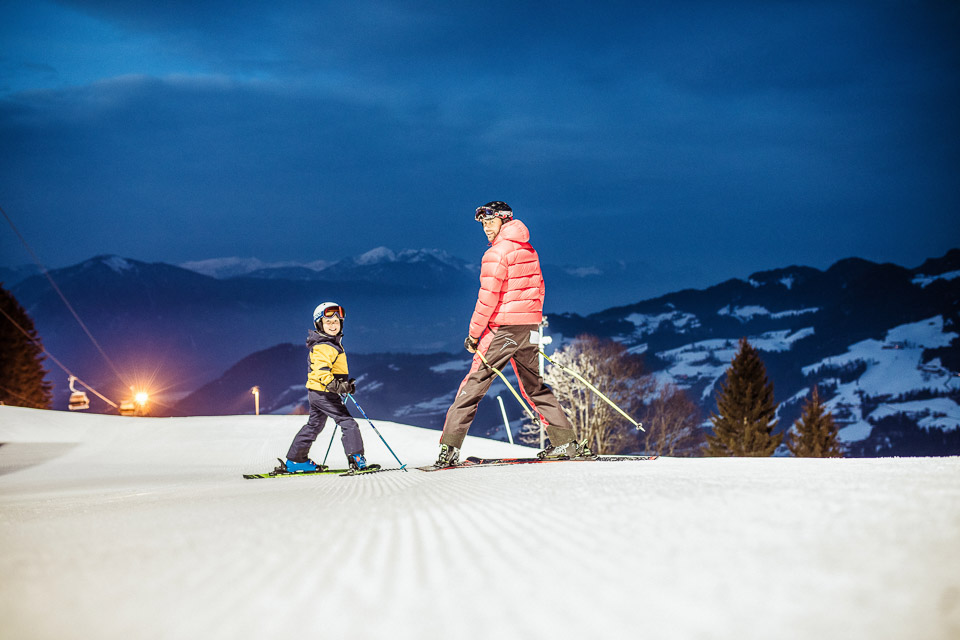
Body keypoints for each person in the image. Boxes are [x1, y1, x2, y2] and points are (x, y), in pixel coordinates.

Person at [434, 201, 587, 467]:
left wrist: (473, 334)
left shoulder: (496, 253)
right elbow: (539, 289)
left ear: (505, 221)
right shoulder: (529, 249)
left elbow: (487, 300)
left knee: (473, 386)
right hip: (528, 328)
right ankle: (566, 443)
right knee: (534, 386)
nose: (485, 228)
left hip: (502, 329)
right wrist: (532, 323)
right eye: (482, 223)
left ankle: (449, 448)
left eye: (490, 222)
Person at [280, 302, 377, 473]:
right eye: (328, 322)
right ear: (320, 324)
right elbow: (321, 372)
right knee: (348, 423)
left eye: (336, 322)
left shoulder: (329, 343)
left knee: (314, 425)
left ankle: (296, 460)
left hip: (318, 393)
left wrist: (344, 386)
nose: (333, 325)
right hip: (324, 393)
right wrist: (338, 387)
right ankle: (356, 459)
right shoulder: (324, 346)